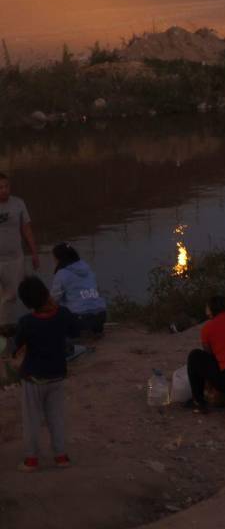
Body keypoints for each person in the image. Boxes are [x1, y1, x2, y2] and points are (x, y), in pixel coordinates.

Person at [13, 276, 77, 471]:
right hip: (57, 376)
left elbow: (16, 347)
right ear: (45, 292)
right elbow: (75, 331)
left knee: (32, 421)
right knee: (56, 418)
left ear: (27, 302)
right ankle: (61, 457)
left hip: (33, 379)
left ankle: (31, 460)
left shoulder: (26, 322)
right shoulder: (62, 314)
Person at [0, 173, 39, 330]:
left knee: (12, 295)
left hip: (15, 258)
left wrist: (34, 253)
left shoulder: (18, 203)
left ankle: (6, 328)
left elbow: (26, 229)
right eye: (0, 187)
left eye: (6, 186)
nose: (4, 190)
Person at [49, 243, 106, 339]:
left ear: (59, 258)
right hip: (101, 315)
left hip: (80, 318)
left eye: (54, 258)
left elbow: (53, 300)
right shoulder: (87, 269)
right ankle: (94, 330)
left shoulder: (61, 274)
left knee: (54, 307)